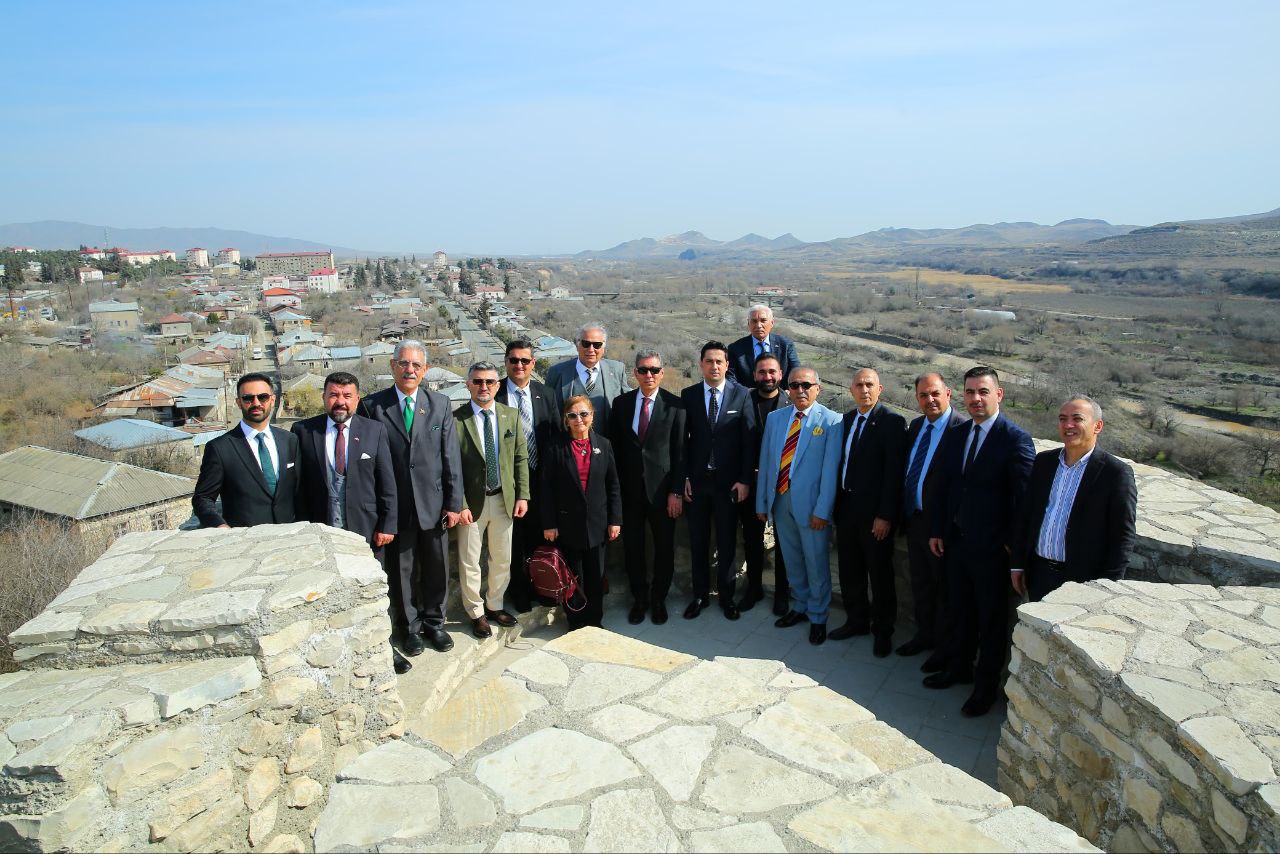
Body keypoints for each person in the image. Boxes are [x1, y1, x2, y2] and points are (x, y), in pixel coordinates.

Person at [927, 366, 1034, 717]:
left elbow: (1025, 503)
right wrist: (939, 529)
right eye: (970, 392)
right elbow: (946, 486)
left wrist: (1012, 550)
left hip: (991, 551)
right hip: (956, 543)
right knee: (959, 612)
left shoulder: (1015, 439)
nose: (975, 398)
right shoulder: (959, 433)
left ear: (998, 394)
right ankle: (958, 668)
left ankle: (984, 690)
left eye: (983, 391)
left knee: (990, 623)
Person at [292, 372, 408, 673]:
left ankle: (385, 646)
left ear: (357, 398)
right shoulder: (303, 431)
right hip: (322, 530)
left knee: (375, 591)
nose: (340, 402)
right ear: (324, 397)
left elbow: (387, 482)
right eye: (333, 395)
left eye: (346, 396)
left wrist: (388, 524)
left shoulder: (374, 430)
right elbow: (299, 486)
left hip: (367, 529)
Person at [358, 340, 463, 658]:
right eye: (403, 363)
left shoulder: (440, 403)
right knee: (401, 571)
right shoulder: (373, 406)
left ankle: (435, 623)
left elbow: (450, 456)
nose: (410, 370)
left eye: (416, 365)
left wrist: (454, 503)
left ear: (425, 370)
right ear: (393, 366)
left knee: (436, 567)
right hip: (396, 506)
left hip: (434, 504)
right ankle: (409, 629)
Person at [1011, 395, 1137, 602]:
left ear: (1097, 426)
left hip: (1082, 582)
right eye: (1063, 419)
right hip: (1038, 574)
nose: (1068, 425)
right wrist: (1017, 564)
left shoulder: (1115, 473)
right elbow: (1026, 515)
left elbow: (1123, 535)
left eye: (1077, 419)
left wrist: (1108, 587)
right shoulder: (1044, 462)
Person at [756, 367, 843, 645]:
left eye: (806, 385)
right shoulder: (776, 419)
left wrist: (823, 510)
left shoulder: (832, 421)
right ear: (788, 389)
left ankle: (818, 616)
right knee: (792, 560)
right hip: (780, 500)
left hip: (812, 507)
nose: (800, 390)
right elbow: (766, 462)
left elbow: (830, 472)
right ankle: (801, 606)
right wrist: (763, 502)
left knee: (816, 563)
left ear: (818, 388)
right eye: (794, 385)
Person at [607, 348, 686, 625]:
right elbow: (614, 450)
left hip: (662, 492)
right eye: (643, 370)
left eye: (654, 370)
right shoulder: (621, 404)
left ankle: (658, 599)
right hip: (629, 492)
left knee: (664, 548)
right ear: (635, 373)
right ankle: (639, 599)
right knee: (633, 548)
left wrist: (676, 492)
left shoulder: (676, 406)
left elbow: (680, 453)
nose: (648, 375)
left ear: (662, 373)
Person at [831, 368, 907, 656]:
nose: (864, 390)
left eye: (869, 385)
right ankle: (856, 621)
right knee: (850, 569)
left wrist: (885, 515)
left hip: (875, 515)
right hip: (847, 509)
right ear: (851, 390)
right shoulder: (847, 420)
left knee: (880, 574)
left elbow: (893, 474)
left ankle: (883, 630)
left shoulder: (892, 422)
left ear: (880, 389)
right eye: (859, 385)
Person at [681, 341, 756, 620]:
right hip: (698, 483)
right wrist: (684, 477)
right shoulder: (688, 395)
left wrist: (745, 480)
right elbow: (682, 443)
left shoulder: (742, 394)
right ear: (701, 364)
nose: (714, 366)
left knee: (727, 543)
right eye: (709, 361)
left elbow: (749, 440)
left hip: (729, 485)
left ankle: (727, 598)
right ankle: (699, 596)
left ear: (727, 365)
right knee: (698, 542)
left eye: (719, 362)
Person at [454, 361, 529, 639]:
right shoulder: (456, 419)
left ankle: (495, 605)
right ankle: (476, 613)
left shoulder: (510, 415)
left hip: (503, 499)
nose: (483, 387)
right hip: (471, 504)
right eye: (477, 381)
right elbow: (451, 466)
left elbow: (520, 457)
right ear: (468, 385)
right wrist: (460, 503)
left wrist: (523, 495)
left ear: (498, 385)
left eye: (489, 382)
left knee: (502, 559)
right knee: (470, 561)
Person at [898, 372, 967, 666]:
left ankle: (945, 650)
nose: (930, 400)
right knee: (921, 584)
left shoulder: (962, 429)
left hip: (943, 528)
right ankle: (924, 635)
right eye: (924, 395)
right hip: (915, 519)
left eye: (935, 393)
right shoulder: (916, 426)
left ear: (948, 393)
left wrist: (943, 527)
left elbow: (960, 486)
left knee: (945, 590)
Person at [541, 395, 622, 630]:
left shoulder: (604, 445)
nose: (579, 420)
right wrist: (549, 523)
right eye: (573, 415)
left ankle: (595, 620)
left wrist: (615, 520)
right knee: (573, 577)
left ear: (592, 416)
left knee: (596, 576)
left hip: (598, 524)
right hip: (567, 524)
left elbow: (613, 485)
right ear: (565, 420)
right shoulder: (555, 447)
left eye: (584, 414)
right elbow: (546, 488)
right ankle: (576, 621)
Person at [495, 338, 561, 612]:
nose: (519, 365)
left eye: (525, 360)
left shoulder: (546, 394)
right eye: (514, 360)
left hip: (541, 478)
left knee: (541, 535)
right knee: (513, 541)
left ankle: (543, 586)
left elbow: (555, 435)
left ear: (533, 363)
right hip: (508, 480)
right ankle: (520, 592)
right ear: (506, 362)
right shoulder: (495, 392)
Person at [194, 373, 300, 528]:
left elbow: (299, 491)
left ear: (272, 400)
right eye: (248, 398)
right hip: (245, 537)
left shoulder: (289, 440)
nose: (256, 403)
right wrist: (219, 526)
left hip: (290, 534)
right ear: (239, 402)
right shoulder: (220, 448)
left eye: (262, 397)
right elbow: (202, 498)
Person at [738, 352, 791, 615]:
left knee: (784, 541)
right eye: (762, 372)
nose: (767, 376)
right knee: (752, 539)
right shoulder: (743, 400)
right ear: (754, 375)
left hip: (782, 484)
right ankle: (754, 588)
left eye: (772, 371)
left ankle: (782, 593)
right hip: (750, 482)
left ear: (780, 374)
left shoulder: (792, 403)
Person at [543, 321, 630, 421]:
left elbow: (629, 402)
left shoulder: (617, 370)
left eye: (597, 345)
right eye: (586, 344)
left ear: (603, 348)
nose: (591, 349)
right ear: (577, 345)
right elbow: (546, 408)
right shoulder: (557, 372)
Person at [727, 304, 800, 388]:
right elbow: (730, 377)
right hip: (748, 394)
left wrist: (789, 390)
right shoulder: (736, 348)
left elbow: (796, 371)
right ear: (748, 323)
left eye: (763, 320)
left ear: (772, 323)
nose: (758, 325)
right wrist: (743, 392)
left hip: (780, 394)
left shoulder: (785, 345)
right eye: (754, 321)